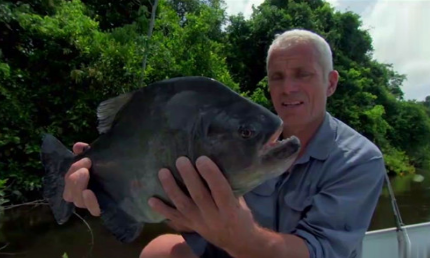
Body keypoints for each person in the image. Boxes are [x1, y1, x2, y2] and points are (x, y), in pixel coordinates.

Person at [63, 29, 386, 258]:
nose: (288, 88)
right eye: (277, 76)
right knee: (158, 251)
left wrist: (241, 235)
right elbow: (187, 223)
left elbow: (319, 252)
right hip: (228, 250)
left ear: (330, 83)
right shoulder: (242, 138)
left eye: (303, 74)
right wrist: (107, 187)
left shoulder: (360, 160)